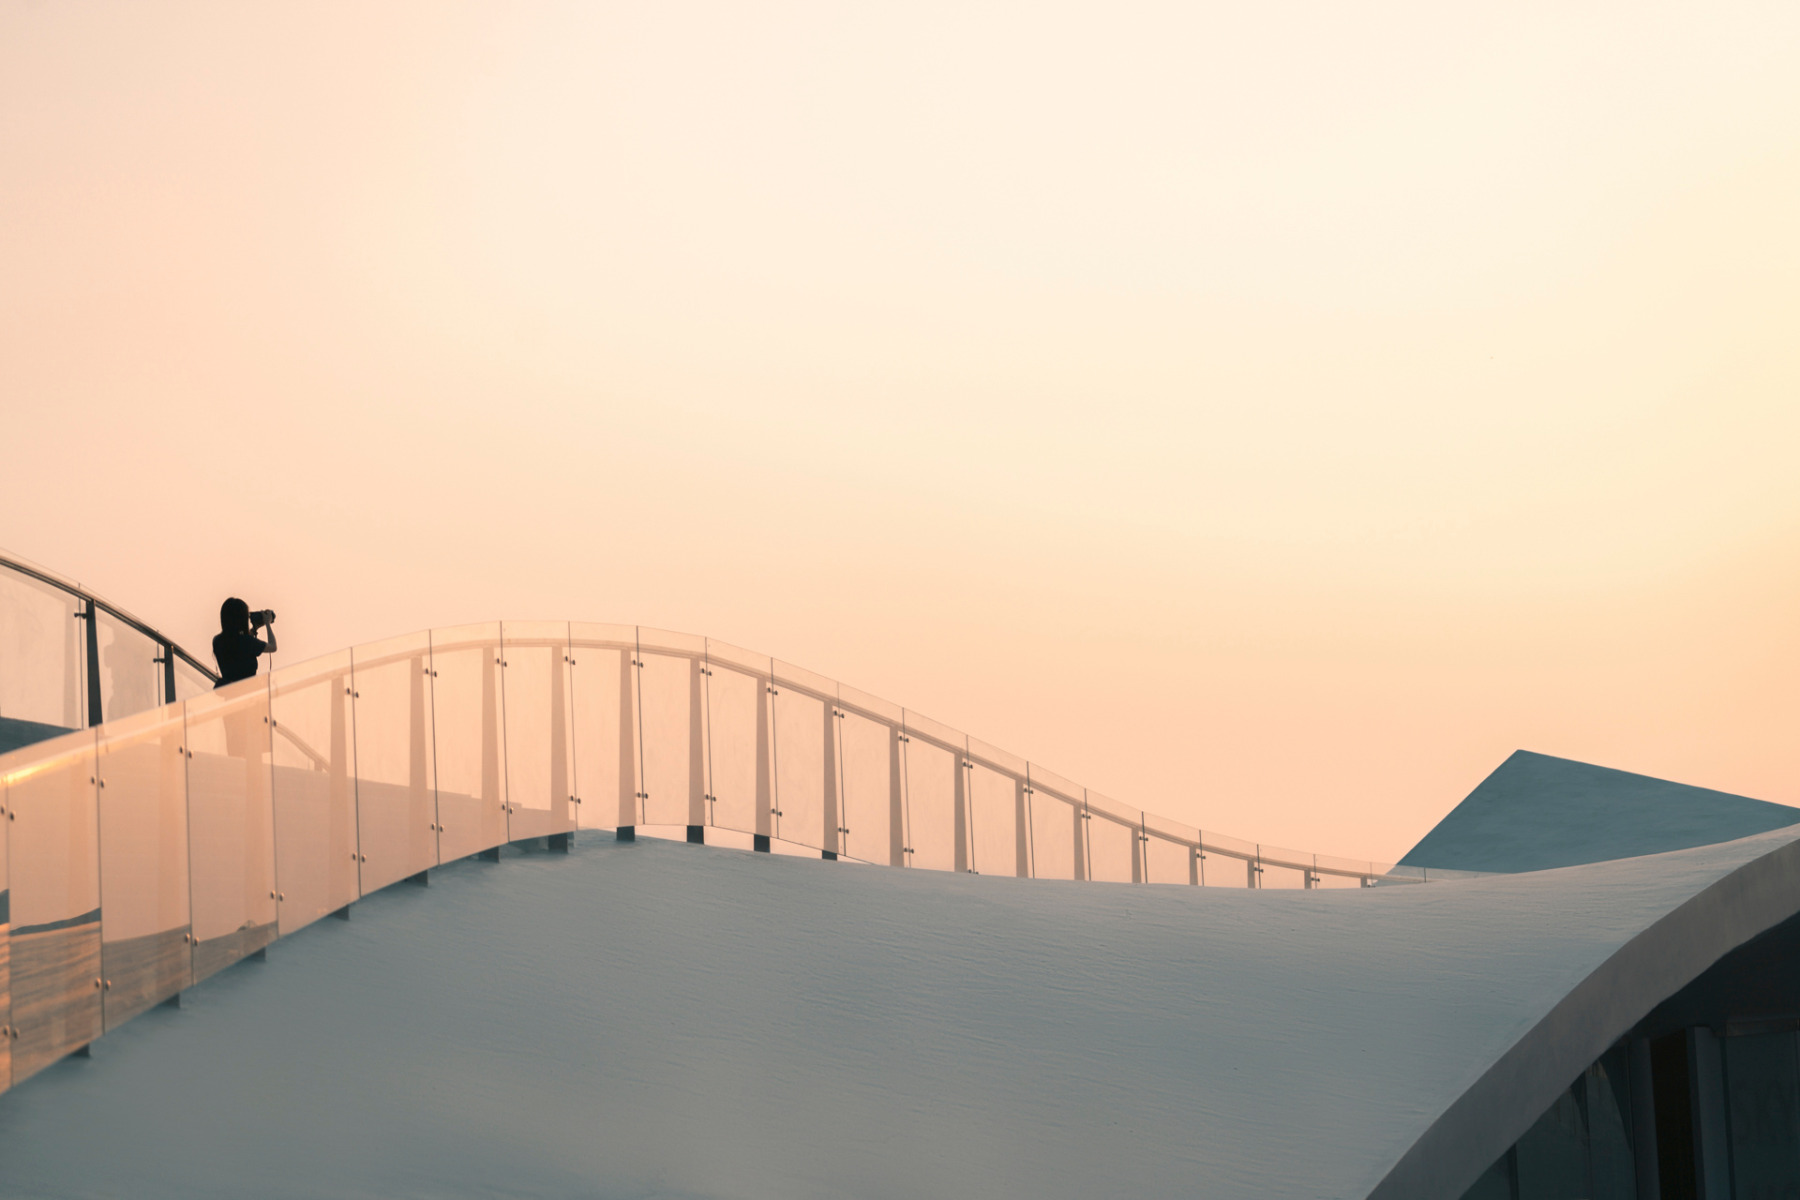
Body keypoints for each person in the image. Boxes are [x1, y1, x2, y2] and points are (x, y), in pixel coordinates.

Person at [213, 597, 277, 687]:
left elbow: (237, 644)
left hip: (229, 693)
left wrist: (255, 628)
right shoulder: (247, 642)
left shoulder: (217, 641)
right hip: (248, 694)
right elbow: (273, 646)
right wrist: (267, 623)